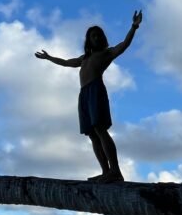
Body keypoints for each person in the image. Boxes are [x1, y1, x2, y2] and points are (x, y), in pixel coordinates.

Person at [34, 10, 142, 183]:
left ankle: (115, 171)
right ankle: (106, 172)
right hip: (83, 94)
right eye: (93, 36)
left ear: (103, 38)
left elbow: (125, 44)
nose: (97, 38)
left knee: (100, 129)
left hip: (96, 90)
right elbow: (67, 62)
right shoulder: (84, 58)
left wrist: (134, 26)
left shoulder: (107, 53)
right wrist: (49, 58)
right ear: (89, 40)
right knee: (92, 134)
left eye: (99, 35)